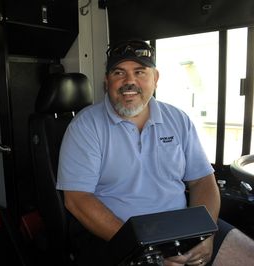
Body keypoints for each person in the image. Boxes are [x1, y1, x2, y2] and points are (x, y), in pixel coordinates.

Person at [56, 40, 254, 265]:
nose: (129, 81)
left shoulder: (178, 120)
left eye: (139, 72)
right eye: (119, 72)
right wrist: (145, 252)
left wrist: (205, 232)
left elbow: (202, 180)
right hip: (115, 232)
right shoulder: (85, 126)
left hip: (178, 226)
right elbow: (77, 200)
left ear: (155, 79)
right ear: (107, 81)